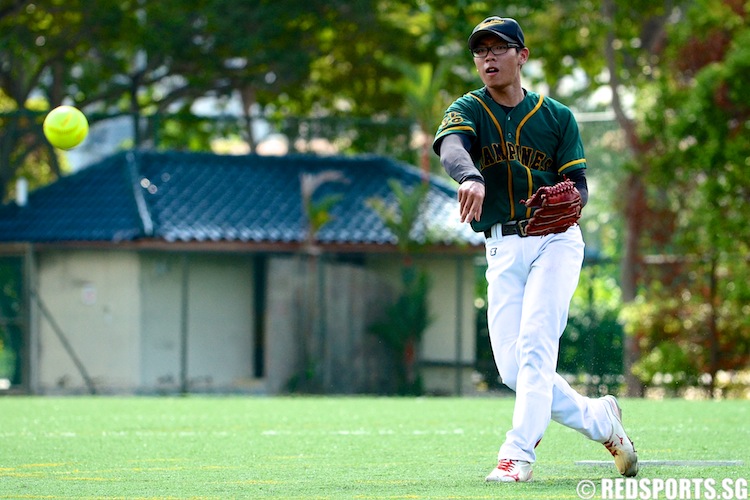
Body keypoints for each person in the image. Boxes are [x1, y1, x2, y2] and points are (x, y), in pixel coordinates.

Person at [433, 16, 638, 482]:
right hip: (502, 247)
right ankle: (602, 421)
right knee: (513, 368)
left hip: (555, 243)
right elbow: (451, 147)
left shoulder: (557, 117)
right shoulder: (469, 108)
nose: (487, 57)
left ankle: (517, 454)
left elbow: (580, 186)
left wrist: (571, 205)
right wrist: (470, 176)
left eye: (498, 48)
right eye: (480, 50)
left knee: (535, 351)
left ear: (521, 56)